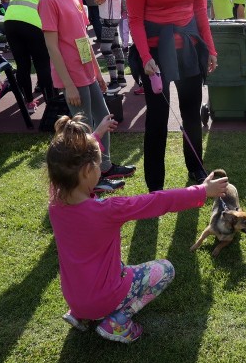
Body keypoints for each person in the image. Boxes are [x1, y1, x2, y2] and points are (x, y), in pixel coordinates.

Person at [47, 114, 229, 343]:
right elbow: (158, 201)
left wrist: (97, 134)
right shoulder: (107, 210)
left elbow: (68, 164)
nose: (101, 169)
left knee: (113, 268)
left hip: (74, 298)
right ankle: (118, 320)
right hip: (103, 298)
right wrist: (202, 191)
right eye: (98, 165)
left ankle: (80, 315)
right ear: (86, 171)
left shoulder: (55, 201)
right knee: (165, 269)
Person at [127, 0, 218, 191]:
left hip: (188, 47)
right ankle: (155, 184)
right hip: (155, 51)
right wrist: (145, 57)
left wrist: (211, 49)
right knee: (157, 119)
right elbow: (135, 19)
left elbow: (200, 10)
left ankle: (196, 170)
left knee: (191, 113)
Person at [40, 0, 135, 193]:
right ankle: (91, 178)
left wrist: (96, 70)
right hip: (71, 78)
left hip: (87, 73)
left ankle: (104, 167)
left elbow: (83, 39)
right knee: (85, 130)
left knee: (103, 120)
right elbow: (53, 47)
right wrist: (68, 84)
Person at [3, 0, 54, 112]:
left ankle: (29, 102)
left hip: (10, 22)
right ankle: (51, 102)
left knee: (22, 64)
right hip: (32, 23)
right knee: (42, 63)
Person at [93, 0, 126, 91]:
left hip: (109, 16)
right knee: (116, 47)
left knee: (105, 48)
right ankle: (121, 78)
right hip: (113, 15)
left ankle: (114, 81)